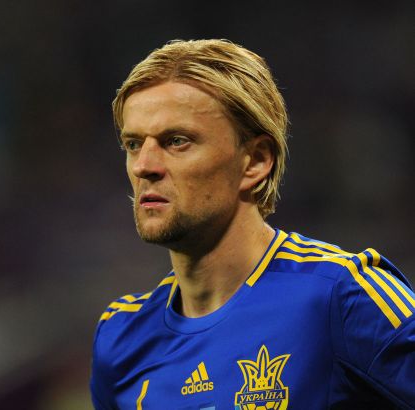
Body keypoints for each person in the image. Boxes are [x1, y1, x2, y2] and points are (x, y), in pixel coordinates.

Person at [90, 39, 415, 410]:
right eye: (133, 144)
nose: (143, 166)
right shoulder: (120, 339)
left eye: (177, 141)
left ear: (256, 161)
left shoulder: (342, 295)